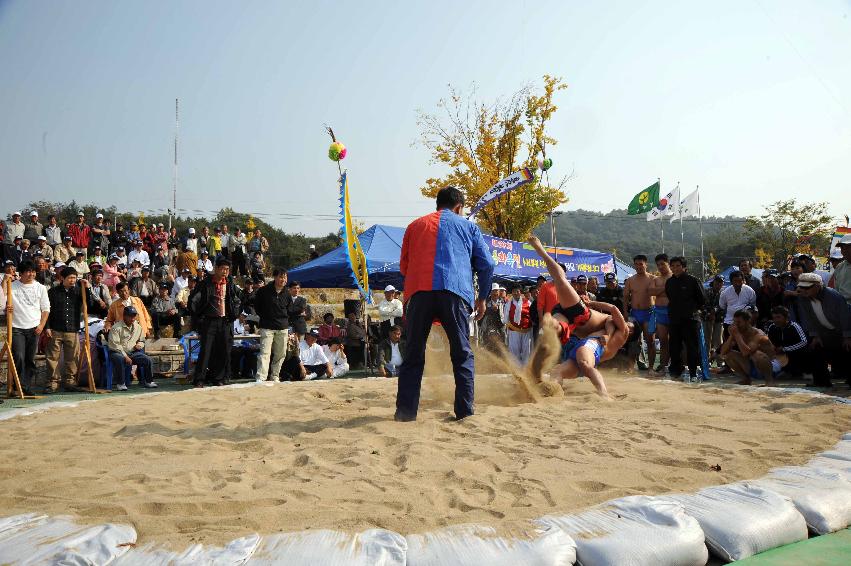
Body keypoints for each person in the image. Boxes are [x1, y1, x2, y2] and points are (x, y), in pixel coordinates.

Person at [395, 187, 493, 421]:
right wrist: (483, 297)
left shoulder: (414, 226)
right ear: (459, 207)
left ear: (437, 204)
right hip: (454, 291)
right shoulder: (469, 227)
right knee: (461, 353)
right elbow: (487, 265)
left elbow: (404, 267)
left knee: (413, 354)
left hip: (419, 293)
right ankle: (464, 412)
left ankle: (405, 414)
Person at [529, 236, 629, 399]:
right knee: (560, 280)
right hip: (581, 315)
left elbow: (612, 323)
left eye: (630, 327)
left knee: (558, 363)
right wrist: (591, 304)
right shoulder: (611, 325)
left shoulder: (618, 333)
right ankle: (541, 251)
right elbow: (613, 312)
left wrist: (607, 333)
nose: (627, 325)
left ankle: (551, 390)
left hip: (574, 332)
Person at [1, 260, 50, 395]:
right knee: (19, 356)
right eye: (28, 271)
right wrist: (5, 283)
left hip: (34, 327)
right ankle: (19, 385)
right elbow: (2, 300)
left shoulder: (40, 288)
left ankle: (24, 385)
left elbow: (46, 309)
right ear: (21, 273)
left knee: (30, 358)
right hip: (16, 327)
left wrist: (41, 325)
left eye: (33, 271)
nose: (31, 274)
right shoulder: (13, 286)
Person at [190, 257, 241, 387]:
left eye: (227, 269)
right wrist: (199, 317)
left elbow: (239, 299)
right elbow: (193, 300)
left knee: (223, 350)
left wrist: (234, 314)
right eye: (223, 269)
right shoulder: (205, 283)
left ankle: (218, 378)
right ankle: (199, 379)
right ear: (216, 268)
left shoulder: (230, 284)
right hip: (209, 321)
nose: (225, 272)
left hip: (225, 321)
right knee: (206, 350)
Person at [795, 272, 851, 387]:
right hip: (825, 331)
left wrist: (847, 337)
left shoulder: (833, 296)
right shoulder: (803, 298)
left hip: (843, 330)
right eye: (801, 287)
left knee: (847, 351)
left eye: (807, 287)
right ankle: (821, 381)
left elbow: (845, 316)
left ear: (817, 286)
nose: (803, 290)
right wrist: (815, 336)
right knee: (815, 349)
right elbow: (809, 318)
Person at [44, 266, 86, 393]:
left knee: (73, 357)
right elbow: (46, 311)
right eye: (70, 278)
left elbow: (88, 304)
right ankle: (53, 383)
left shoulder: (79, 291)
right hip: (55, 329)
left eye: (75, 278)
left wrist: (87, 289)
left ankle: (70, 382)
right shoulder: (53, 292)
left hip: (72, 330)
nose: (73, 280)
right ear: (63, 278)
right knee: (52, 357)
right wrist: (47, 327)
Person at [664, 256, 705, 380]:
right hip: (674, 320)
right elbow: (670, 297)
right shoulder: (669, 282)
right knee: (674, 347)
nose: (675, 268)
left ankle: (693, 373)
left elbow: (702, 299)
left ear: (684, 267)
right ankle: (676, 372)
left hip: (690, 320)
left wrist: (691, 310)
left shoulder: (693, 281)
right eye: (673, 266)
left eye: (678, 266)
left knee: (692, 347)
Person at [253, 268, 294, 383]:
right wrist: (266, 317)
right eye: (281, 277)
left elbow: (289, 309)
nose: (283, 280)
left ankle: (275, 375)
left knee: (281, 353)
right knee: (265, 353)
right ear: (275, 277)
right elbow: (257, 307)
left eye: (285, 277)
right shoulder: (264, 291)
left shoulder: (287, 293)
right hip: (267, 326)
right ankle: (261, 377)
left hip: (282, 328)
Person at [720, 309, 780, 386]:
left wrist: (737, 335)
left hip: (772, 368)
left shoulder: (758, 335)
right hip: (753, 366)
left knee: (757, 354)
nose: (736, 325)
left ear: (747, 321)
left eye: (739, 322)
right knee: (728, 355)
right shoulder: (737, 332)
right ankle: (746, 380)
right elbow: (722, 353)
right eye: (734, 322)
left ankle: (770, 381)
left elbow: (746, 352)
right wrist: (732, 336)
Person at [106, 305, 157, 390]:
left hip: (132, 352)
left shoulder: (138, 327)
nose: (132, 318)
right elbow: (115, 345)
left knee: (147, 359)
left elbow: (142, 340)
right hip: (117, 352)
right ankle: (121, 384)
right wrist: (125, 356)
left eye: (134, 316)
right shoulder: (116, 328)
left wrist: (140, 345)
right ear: (124, 316)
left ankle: (149, 381)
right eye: (130, 316)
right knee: (120, 359)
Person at [622, 254, 656, 371]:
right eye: (636, 264)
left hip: (648, 313)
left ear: (645, 264)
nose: (638, 266)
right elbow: (625, 297)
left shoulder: (653, 278)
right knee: (633, 342)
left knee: (650, 341)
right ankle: (630, 368)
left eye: (640, 264)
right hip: (635, 314)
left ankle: (651, 368)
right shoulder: (631, 280)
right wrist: (625, 312)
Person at [767, 306, 809, 378]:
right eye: (774, 318)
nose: (776, 320)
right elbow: (768, 342)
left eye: (778, 317)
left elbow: (804, 342)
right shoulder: (772, 327)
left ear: (786, 317)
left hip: (796, 354)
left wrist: (785, 349)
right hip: (779, 356)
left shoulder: (794, 326)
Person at [648, 253, 673, 375]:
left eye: (662, 264)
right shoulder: (655, 279)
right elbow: (651, 292)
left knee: (675, 340)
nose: (660, 267)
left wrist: (660, 290)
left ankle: (674, 365)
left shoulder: (674, 277)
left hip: (672, 312)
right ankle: (663, 366)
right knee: (663, 341)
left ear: (668, 263)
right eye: (658, 265)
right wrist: (666, 288)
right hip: (660, 312)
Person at [719, 270, 757, 337]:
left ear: (743, 281)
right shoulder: (725, 292)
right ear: (731, 282)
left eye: (739, 281)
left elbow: (753, 305)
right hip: (729, 322)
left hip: (745, 324)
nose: (737, 284)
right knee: (730, 345)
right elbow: (722, 306)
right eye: (735, 281)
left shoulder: (749, 291)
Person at [503, 285, 532, 363]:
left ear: (520, 292)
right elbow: (506, 319)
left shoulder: (528, 302)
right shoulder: (508, 304)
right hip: (514, 331)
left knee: (526, 351)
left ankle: (525, 370)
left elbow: (532, 315)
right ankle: (516, 370)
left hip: (526, 331)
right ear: (512, 293)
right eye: (514, 291)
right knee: (514, 351)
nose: (516, 293)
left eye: (517, 291)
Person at [702, 275, 725, 365]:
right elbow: (702, 304)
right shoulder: (706, 291)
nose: (718, 284)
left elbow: (723, 306)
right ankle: (706, 360)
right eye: (717, 281)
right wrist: (709, 313)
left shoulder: (723, 293)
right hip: (706, 319)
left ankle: (720, 361)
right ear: (713, 282)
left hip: (719, 320)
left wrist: (715, 311)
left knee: (718, 341)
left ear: (722, 283)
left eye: (720, 282)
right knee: (706, 341)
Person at [231, 311, 259, 379]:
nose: (245, 318)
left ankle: (246, 373)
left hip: (240, 344)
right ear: (240, 315)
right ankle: (234, 373)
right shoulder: (234, 322)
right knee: (237, 352)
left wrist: (245, 329)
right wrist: (244, 329)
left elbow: (244, 335)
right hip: (233, 345)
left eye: (246, 317)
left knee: (250, 351)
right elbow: (235, 331)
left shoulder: (243, 323)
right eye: (244, 316)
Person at [479, 283, 506, 350]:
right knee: (485, 337)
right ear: (490, 292)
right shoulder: (485, 302)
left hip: (500, 324)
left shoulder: (503, 302)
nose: (495, 293)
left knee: (503, 335)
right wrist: (491, 309)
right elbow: (482, 311)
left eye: (496, 291)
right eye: (493, 291)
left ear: (499, 292)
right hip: (488, 323)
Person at [832, 234, 851, 304]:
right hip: (842, 307)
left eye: (848, 247)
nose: (844, 251)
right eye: (842, 248)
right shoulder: (840, 267)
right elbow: (836, 289)